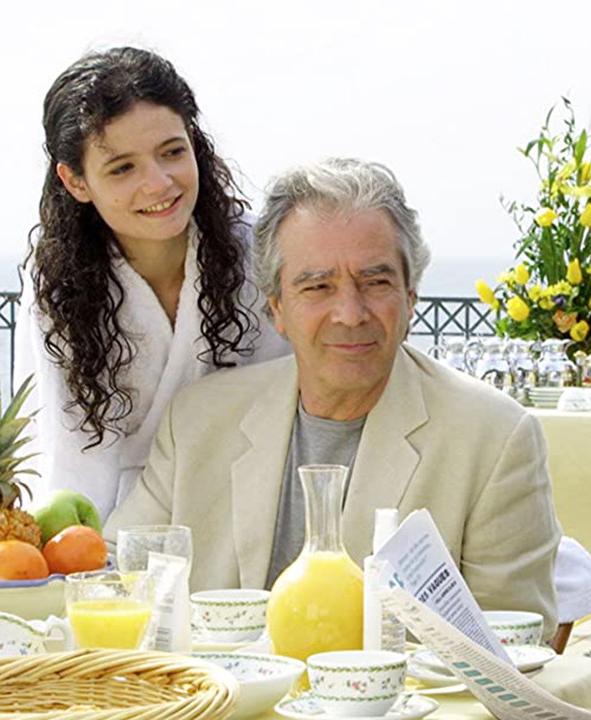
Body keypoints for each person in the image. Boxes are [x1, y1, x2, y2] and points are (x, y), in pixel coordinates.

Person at [105, 158, 562, 634]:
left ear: (411, 296)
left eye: (375, 282)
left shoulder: (493, 438)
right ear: (277, 308)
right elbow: (119, 578)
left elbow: (514, 645)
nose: (350, 313)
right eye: (318, 286)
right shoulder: (197, 420)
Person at [15, 47, 288, 521]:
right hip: (115, 524)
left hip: (256, 506)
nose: (159, 183)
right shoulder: (59, 284)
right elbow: (73, 456)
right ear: (76, 181)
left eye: (172, 152)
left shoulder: (260, 252)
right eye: (122, 168)